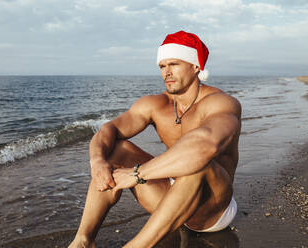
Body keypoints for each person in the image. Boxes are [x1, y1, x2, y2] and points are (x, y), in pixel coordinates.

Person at [69, 30, 241, 248]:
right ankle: (83, 240)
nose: (166, 72)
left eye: (174, 64)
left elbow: (204, 145)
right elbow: (108, 129)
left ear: (196, 66)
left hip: (213, 209)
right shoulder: (156, 104)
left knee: (199, 163)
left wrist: (136, 174)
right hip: (171, 195)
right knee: (115, 149)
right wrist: (97, 162)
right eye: (162, 66)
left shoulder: (221, 103)